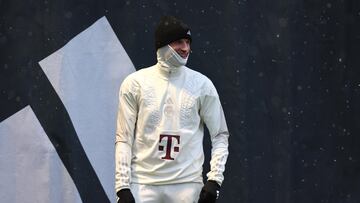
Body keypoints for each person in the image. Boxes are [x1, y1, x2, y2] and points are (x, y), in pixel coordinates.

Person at [115, 15, 229, 203]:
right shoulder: (135, 83)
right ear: (163, 44)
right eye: (178, 42)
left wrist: (214, 181)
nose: (185, 48)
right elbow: (123, 139)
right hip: (143, 184)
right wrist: (122, 186)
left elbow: (220, 135)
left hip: (187, 185)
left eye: (188, 42)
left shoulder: (202, 85)